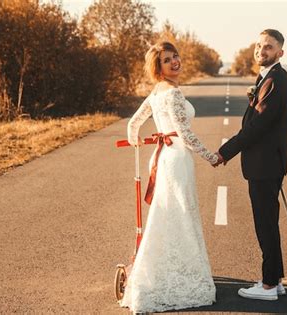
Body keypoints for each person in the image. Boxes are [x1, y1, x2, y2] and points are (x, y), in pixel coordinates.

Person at [119, 41, 218, 312]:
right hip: (176, 159)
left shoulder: (156, 92)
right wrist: (212, 157)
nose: (175, 62)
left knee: (166, 214)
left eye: (175, 56)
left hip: (163, 157)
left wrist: (135, 140)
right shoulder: (172, 93)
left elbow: (133, 123)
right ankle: (180, 273)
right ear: (158, 67)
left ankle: (160, 267)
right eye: (166, 60)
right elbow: (184, 134)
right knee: (181, 214)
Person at [215, 29, 287, 301]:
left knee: (265, 224)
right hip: (269, 161)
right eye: (259, 46)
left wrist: (225, 152)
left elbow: (258, 126)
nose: (262, 50)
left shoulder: (274, 80)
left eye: (269, 47)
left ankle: (269, 286)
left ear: (280, 53)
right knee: (268, 222)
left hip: (265, 163)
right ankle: (275, 279)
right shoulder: (271, 77)